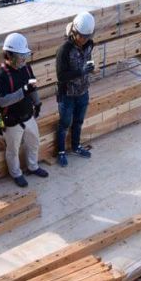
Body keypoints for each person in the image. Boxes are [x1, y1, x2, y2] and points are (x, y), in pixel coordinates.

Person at [0, 32, 49, 188]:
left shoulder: (26, 68)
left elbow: (32, 85)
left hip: (28, 115)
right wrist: (23, 91)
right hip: (11, 121)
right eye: (20, 56)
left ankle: (33, 166)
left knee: (34, 142)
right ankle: (16, 173)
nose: (24, 59)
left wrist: (37, 103)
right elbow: (2, 102)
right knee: (13, 149)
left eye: (25, 55)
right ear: (9, 55)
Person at [54, 11, 97, 168]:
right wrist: (81, 72)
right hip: (67, 94)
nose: (84, 40)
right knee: (65, 123)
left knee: (78, 122)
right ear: (74, 32)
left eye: (87, 37)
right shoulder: (64, 50)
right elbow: (61, 76)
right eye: (82, 37)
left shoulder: (89, 43)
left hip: (83, 91)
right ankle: (61, 152)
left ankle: (76, 146)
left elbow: (88, 56)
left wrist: (90, 66)